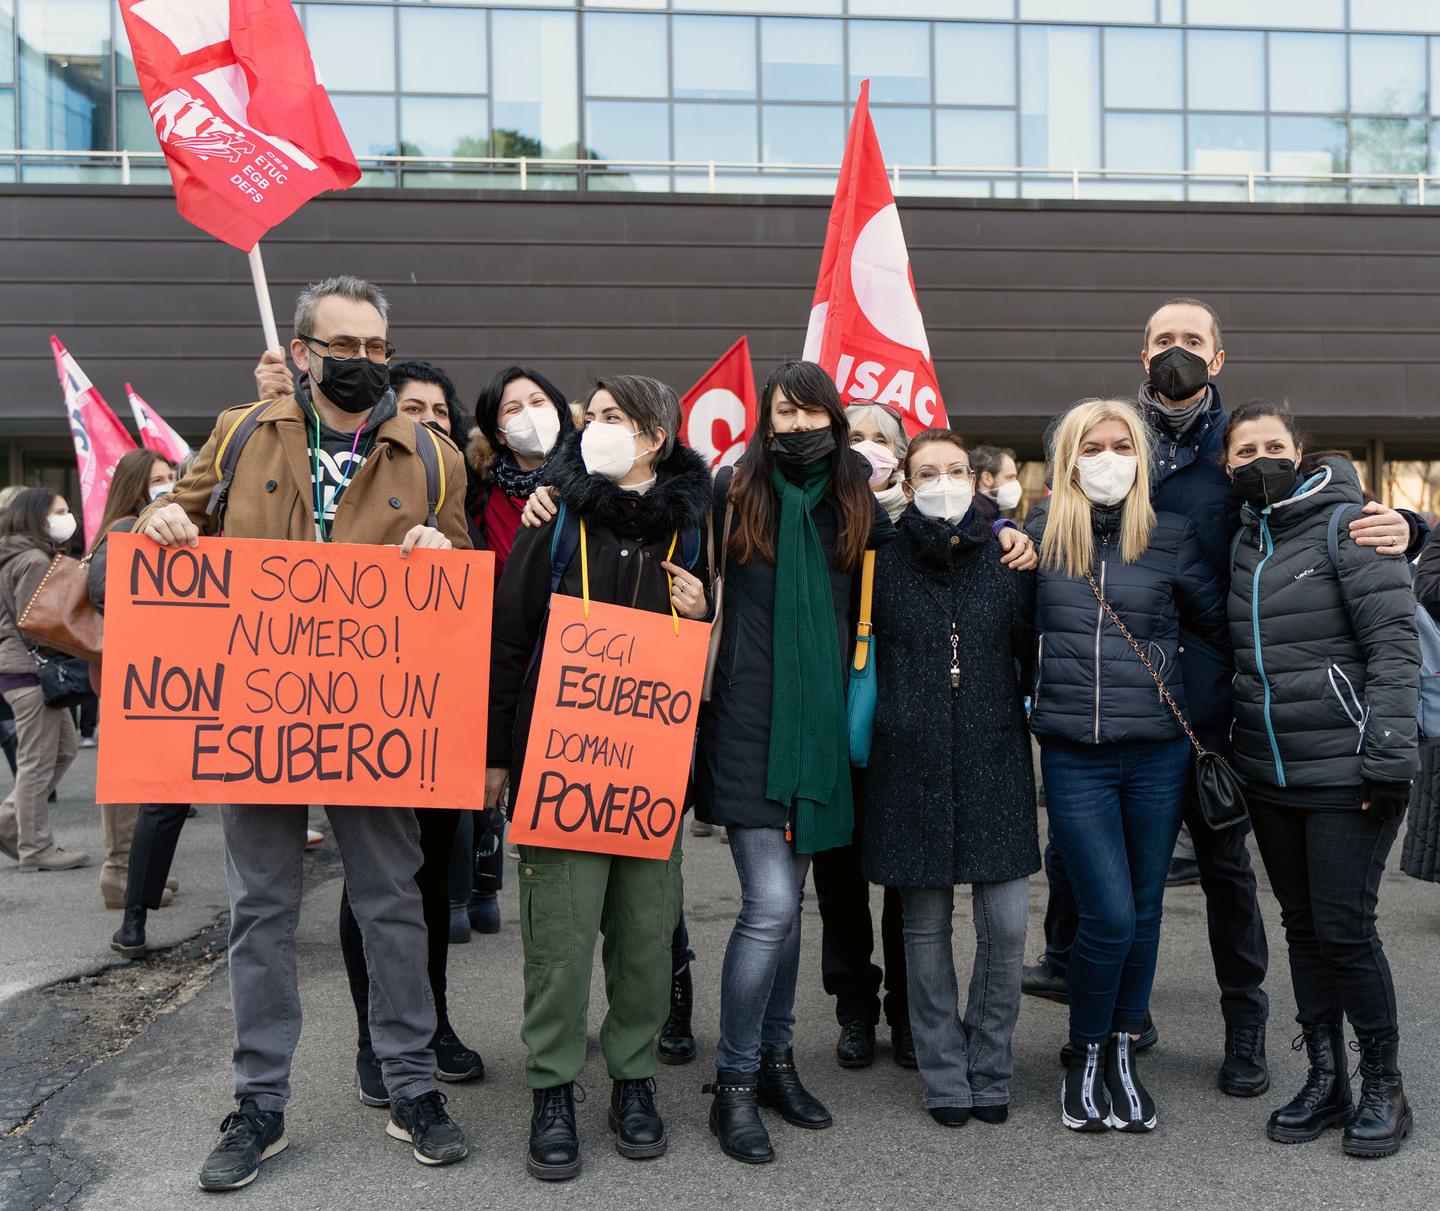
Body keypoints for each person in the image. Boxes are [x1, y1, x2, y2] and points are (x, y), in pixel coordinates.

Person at [1025, 297, 1426, 1097]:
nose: (1177, 352)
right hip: (1115, 707)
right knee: (1090, 869)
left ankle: (1245, 1025)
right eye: (1162, 340)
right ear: (1142, 357)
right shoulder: (1117, 436)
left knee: (1226, 876)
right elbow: (1060, 521)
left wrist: (1411, 524)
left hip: (1209, 712)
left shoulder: (1239, 445)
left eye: (1192, 341)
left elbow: (1324, 500)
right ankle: (1103, 1010)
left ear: (1219, 356)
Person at [138, 275, 472, 1190]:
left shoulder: (433, 456)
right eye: (344, 347)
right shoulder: (244, 432)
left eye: (377, 347)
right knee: (261, 912)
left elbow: (464, 587)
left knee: (393, 904)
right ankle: (259, 1104)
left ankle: (411, 1090)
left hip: (376, 721)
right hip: (257, 712)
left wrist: (446, 554)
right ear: (300, 353)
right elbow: (164, 528)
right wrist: (161, 517)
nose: (364, 362)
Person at [485, 375, 709, 1182]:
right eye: (592, 418)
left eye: (614, 418)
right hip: (559, 766)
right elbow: (508, 640)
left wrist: (703, 606)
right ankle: (551, 1087)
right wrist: (496, 758)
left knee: (647, 935)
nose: (595, 428)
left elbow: (733, 645)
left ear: (656, 435)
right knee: (560, 937)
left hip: (651, 771)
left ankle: (634, 1079)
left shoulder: (697, 526)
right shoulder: (555, 515)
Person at [694, 361, 889, 1165]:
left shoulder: (857, 498)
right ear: (766, 421)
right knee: (770, 907)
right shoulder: (733, 490)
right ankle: (734, 1083)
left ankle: (777, 1060)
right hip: (746, 723)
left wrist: (1007, 529)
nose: (801, 423)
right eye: (786, 411)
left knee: (793, 906)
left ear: (834, 419)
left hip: (818, 730)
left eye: (815, 410)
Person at [1027, 397, 1228, 1134]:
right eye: (1092, 446)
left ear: (1143, 461)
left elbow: (1214, 631)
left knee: (1143, 911)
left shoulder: (1171, 537)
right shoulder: (1037, 539)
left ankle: (1120, 1048)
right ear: (1068, 460)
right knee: (1107, 911)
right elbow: (1011, 635)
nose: (1107, 459)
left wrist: (1181, 695)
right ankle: (1081, 1049)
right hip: (1075, 755)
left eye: (1121, 446)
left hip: (1159, 753)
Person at [1225, 401, 1419, 1159]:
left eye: (1274, 444)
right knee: (1303, 928)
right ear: (1228, 464)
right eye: (1246, 449)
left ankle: (1384, 1083)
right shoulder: (1245, 538)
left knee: (1345, 929)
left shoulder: (1350, 525)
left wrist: (1389, 755)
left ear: (1300, 452)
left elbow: (1395, 645)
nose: (1261, 457)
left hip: (1351, 772)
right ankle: (1327, 1075)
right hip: (1272, 773)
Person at [861, 428, 1038, 1127]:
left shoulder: (1010, 554)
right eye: (928, 470)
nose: (944, 480)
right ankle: (944, 1071)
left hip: (996, 757)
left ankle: (990, 1063)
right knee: (924, 929)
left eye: (956, 469)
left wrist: (1019, 540)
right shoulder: (882, 558)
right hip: (908, 762)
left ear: (977, 479)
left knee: (1007, 927)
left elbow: (1033, 649)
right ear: (906, 480)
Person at [85, 449, 182, 923]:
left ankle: (134, 876)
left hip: (142, 674)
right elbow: (103, 591)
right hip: (128, 675)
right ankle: (120, 876)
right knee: (130, 782)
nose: (166, 486)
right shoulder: (125, 529)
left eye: (171, 478)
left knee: (146, 783)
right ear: (134, 488)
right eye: (157, 480)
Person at [0, 488, 89, 872]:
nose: (69, 517)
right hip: (30, 671)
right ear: (38, 517)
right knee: (37, 762)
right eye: (61, 511)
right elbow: (35, 622)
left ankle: (7, 822)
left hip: (19, 671)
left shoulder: (14, 554)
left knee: (64, 750)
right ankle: (35, 848)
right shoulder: (34, 560)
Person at [973, 445, 1023, 516]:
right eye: (1010, 477)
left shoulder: (990, 513)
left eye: (1015, 477)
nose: (1015, 483)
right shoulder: (974, 517)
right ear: (987, 479)